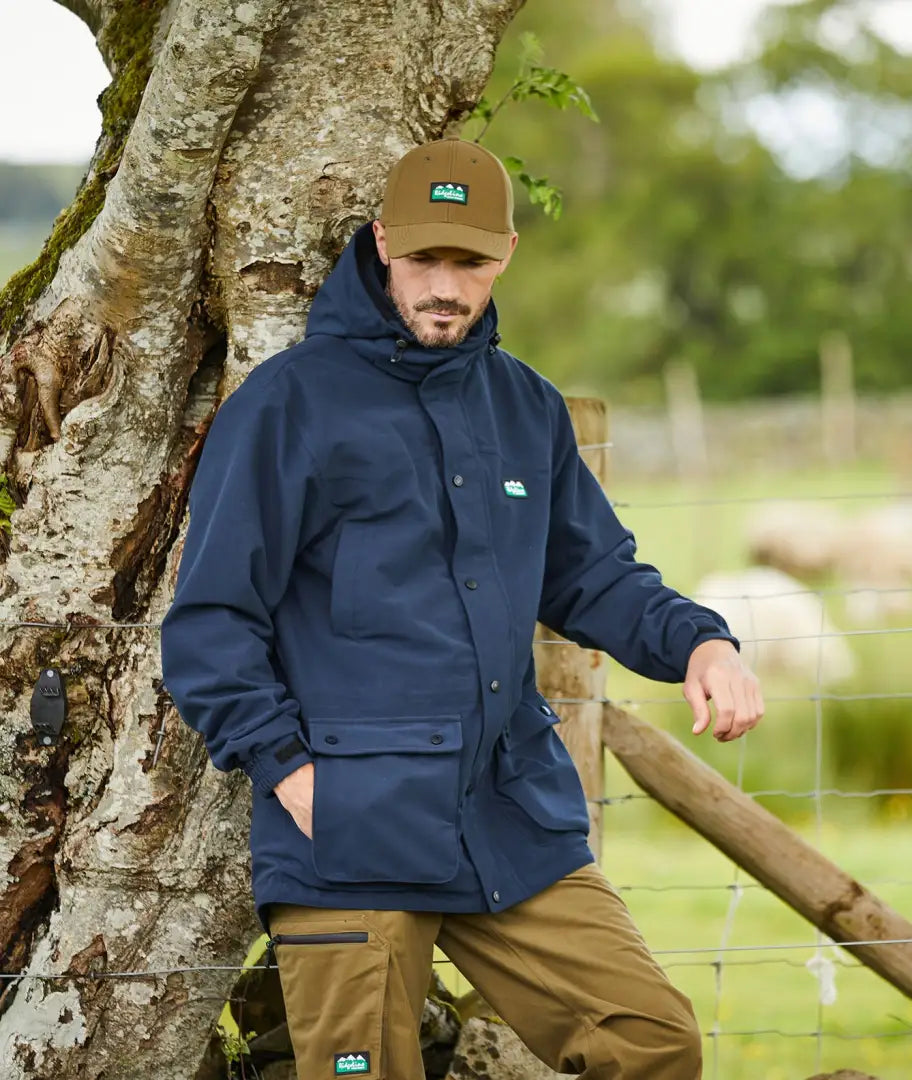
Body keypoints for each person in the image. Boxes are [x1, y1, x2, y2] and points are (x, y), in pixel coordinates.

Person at [161, 136, 763, 1080]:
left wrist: (702, 642)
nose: (446, 285)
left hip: (505, 815)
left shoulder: (525, 407)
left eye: (469, 261)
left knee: (651, 1041)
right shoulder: (289, 406)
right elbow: (210, 621)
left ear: (506, 256)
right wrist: (284, 767)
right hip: (347, 831)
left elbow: (594, 575)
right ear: (382, 243)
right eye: (426, 259)